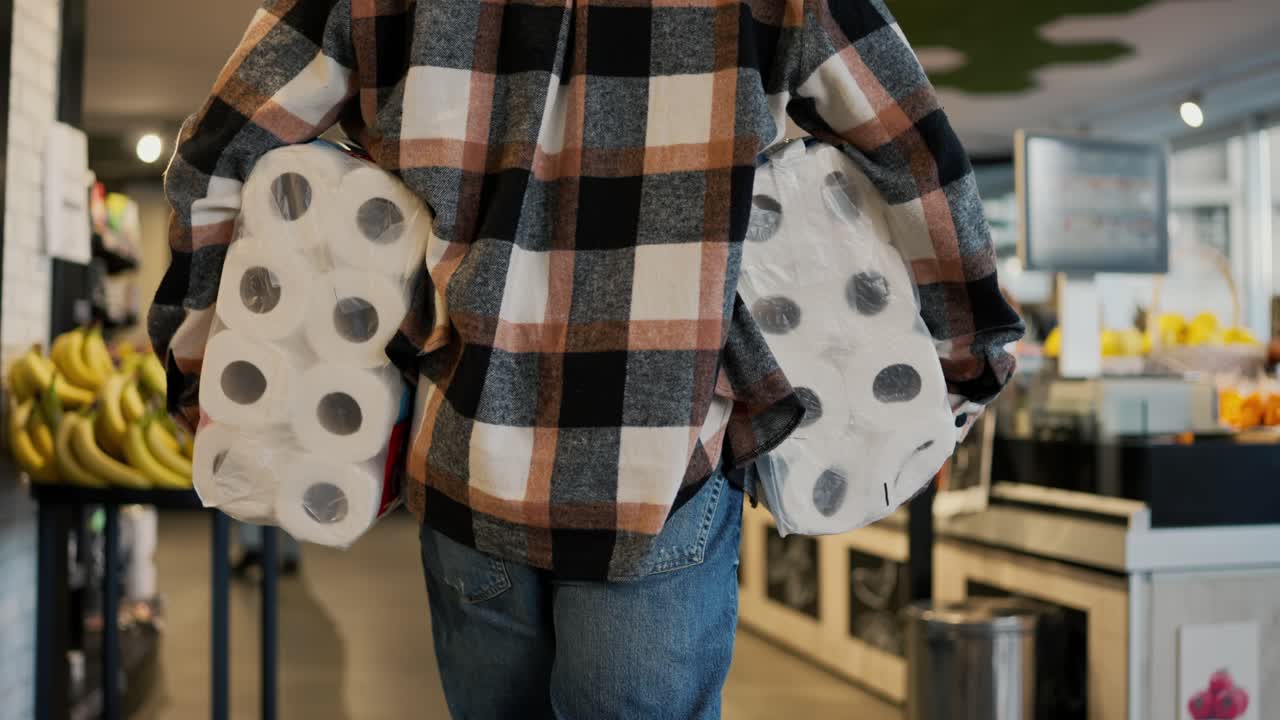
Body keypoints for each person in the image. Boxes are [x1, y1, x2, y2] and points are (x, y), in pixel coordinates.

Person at [150, 0, 1023, 717]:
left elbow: (217, 153)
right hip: (661, 468)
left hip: (465, 462)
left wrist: (204, 376)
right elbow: (917, 158)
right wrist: (963, 367)